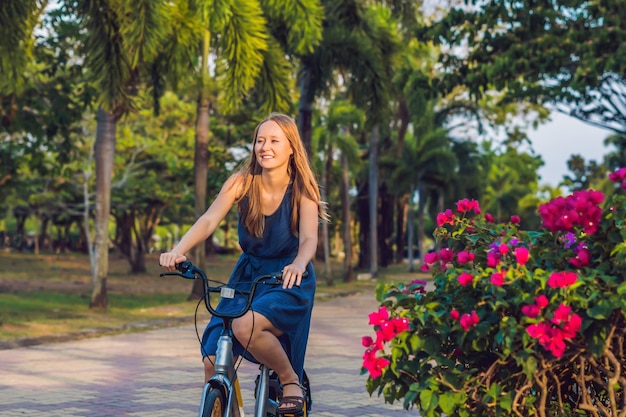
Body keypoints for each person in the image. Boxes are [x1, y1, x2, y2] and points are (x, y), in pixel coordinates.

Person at [159, 113, 329, 415]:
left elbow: (308, 241)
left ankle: (290, 381)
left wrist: (299, 264)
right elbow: (209, 219)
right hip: (246, 278)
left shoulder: (303, 190)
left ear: (291, 147)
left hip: (288, 279)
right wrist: (178, 250)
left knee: (245, 325)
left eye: (274, 140)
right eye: (260, 140)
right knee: (212, 358)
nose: (265, 147)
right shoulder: (241, 183)